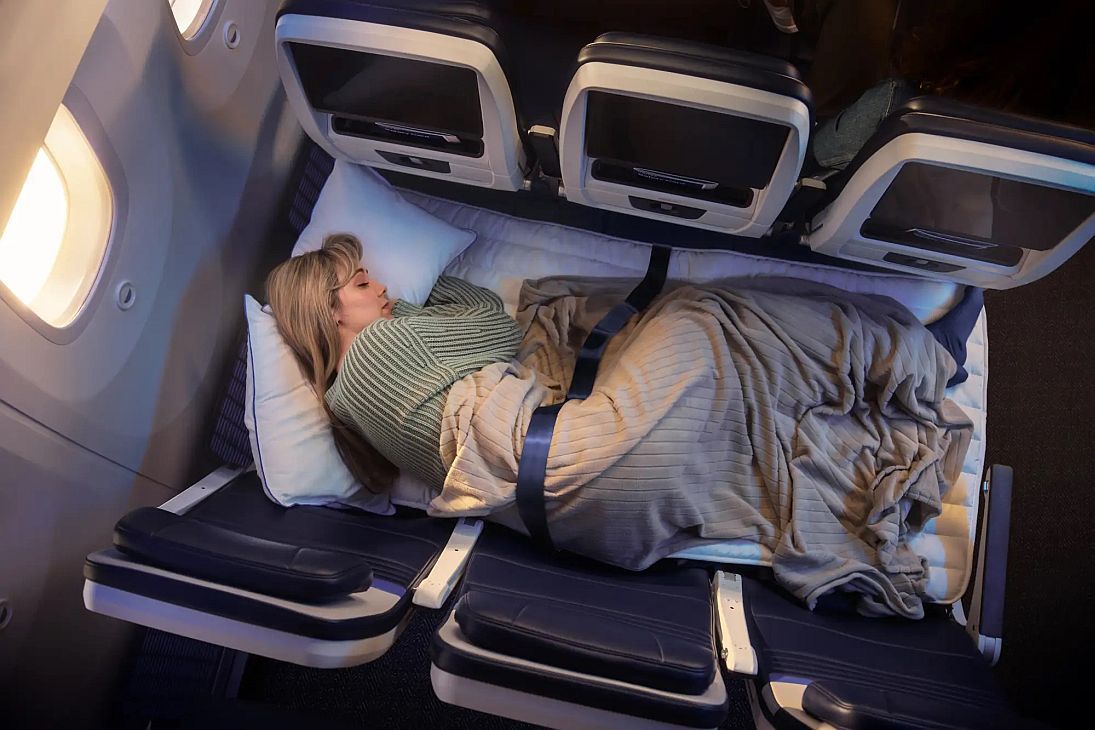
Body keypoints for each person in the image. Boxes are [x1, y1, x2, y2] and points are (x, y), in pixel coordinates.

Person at [265, 233, 522, 492]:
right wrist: (405, 303)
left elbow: (487, 313)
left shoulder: (340, 403)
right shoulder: (378, 341)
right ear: (330, 310)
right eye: (362, 284)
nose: (382, 287)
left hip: (514, 481)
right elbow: (504, 328)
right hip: (527, 442)